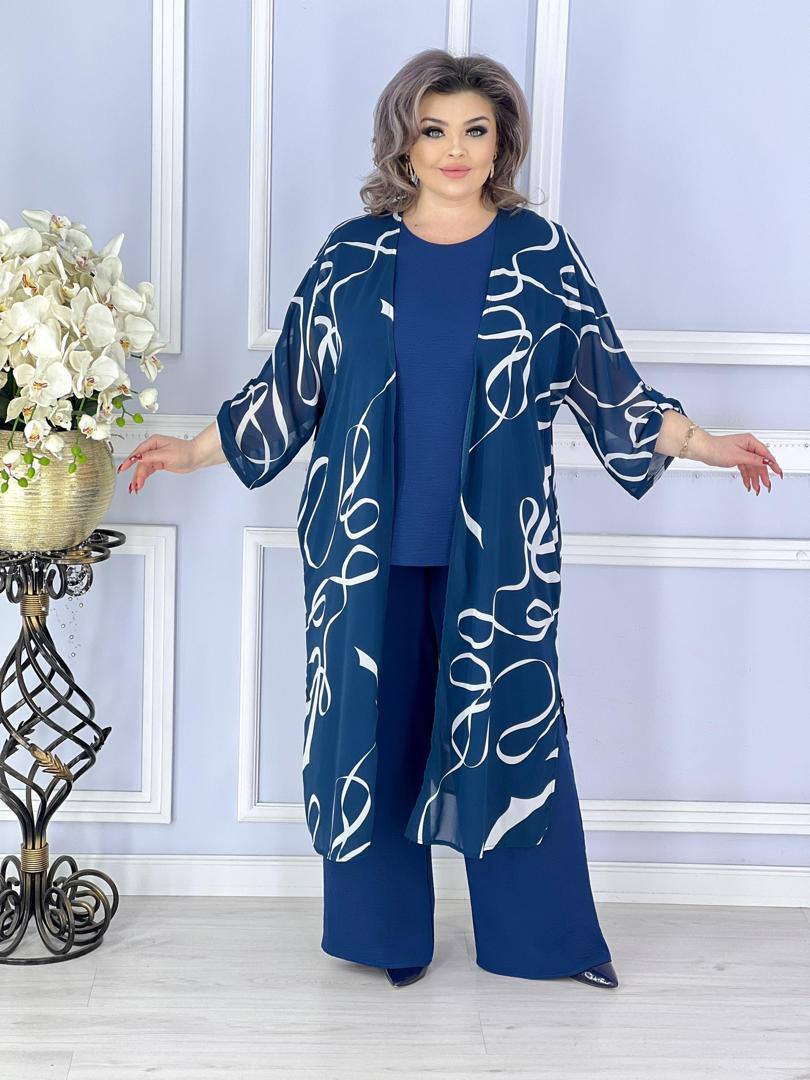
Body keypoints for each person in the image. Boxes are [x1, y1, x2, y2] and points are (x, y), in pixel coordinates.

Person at [119, 49, 783, 991]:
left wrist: (707, 443)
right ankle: (386, 939)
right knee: (372, 738)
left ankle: (547, 941)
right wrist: (192, 451)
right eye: (434, 130)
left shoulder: (540, 253)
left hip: (500, 552)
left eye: (476, 129)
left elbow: (607, 381)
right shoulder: (352, 255)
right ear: (405, 142)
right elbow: (291, 386)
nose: (455, 149)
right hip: (363, 552)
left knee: (515, 731)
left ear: (502, 142)